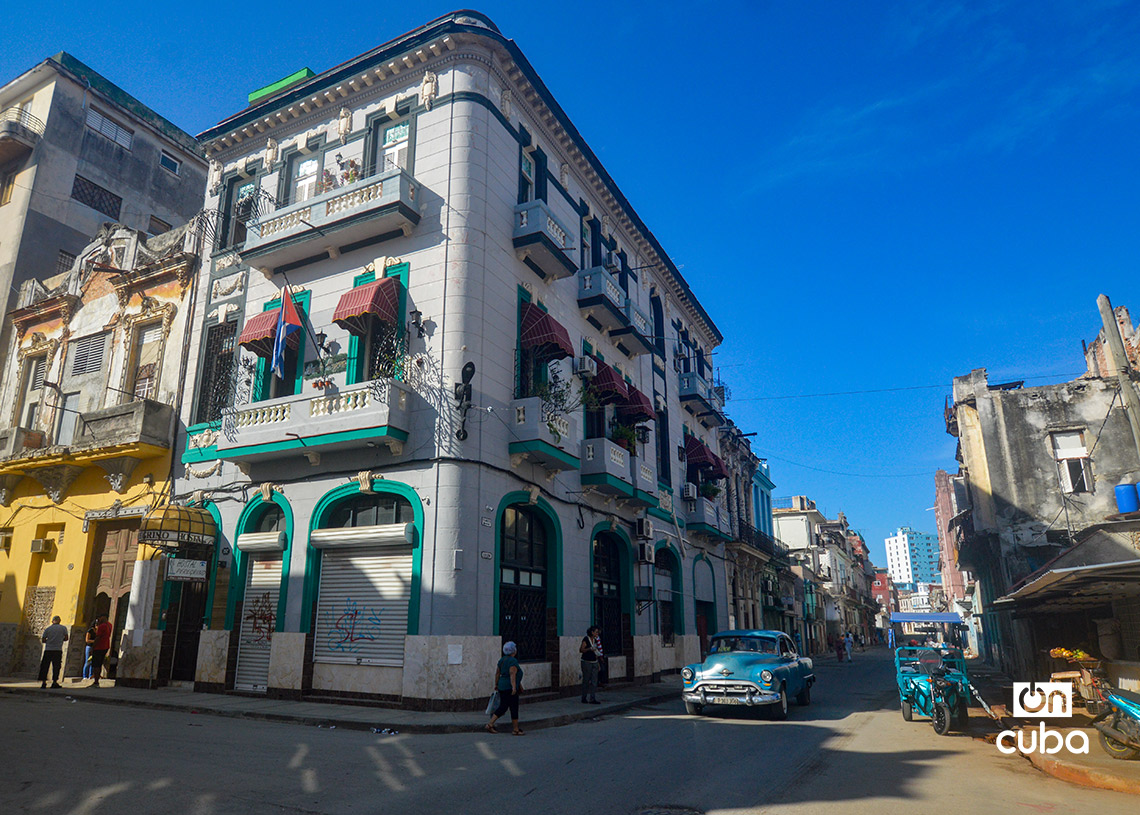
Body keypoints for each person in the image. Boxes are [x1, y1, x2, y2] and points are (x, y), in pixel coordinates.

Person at [486, 641, 524, 736]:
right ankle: (514, 729)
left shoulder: (502, 660)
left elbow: (498, 673)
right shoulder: (512, 661)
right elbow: (512, 674)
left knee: (504, 706)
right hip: (509, 687)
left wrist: (496, 684)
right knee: (512, 707)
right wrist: (514, 687)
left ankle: (491, 724)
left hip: (502, 686)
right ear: (513, 651)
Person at [38, 616, 69, 689]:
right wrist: (60, 640)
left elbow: (43, 639)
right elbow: (66, 638)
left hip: (48, 649)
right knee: (56, 666)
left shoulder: (48, 629)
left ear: (52, 621)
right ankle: (54, 682)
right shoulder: (63, 628)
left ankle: (43, 682)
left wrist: (49, 641)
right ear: (59, 621)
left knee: (45, 666)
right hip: (57, 650)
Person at [88, 614, 113, 687]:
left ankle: (96, 681)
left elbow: (98, 637)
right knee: (99, 663)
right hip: (106, 646)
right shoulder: (109, 625)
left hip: (99, 647)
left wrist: (93, 647)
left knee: (96, 665)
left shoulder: (102, 626)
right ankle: (96, 679)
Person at [580, 626, 601, 704]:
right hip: (586, 662)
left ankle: (592, 698)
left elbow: (596, 652)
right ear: (592, 632)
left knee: (594, 681)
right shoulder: (586, 639)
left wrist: (598, 663)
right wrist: (589, 649)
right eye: (596, 632)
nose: (597, 633)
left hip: (594, 662)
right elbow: (581, 650)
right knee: (586, 680)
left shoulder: (595, 640)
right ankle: (584, 697)